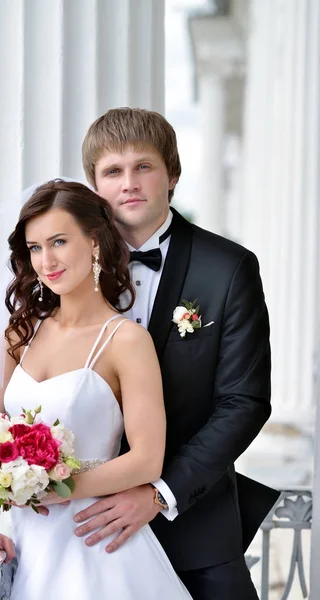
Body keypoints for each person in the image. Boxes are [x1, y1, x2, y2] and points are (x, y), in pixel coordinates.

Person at [71, 107, 279, 600]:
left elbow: (244, 402)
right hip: (84, 530)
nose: (129, 183)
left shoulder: (228, 268)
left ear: (173, 174)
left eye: (144, 166)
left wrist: (159, 494)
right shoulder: (66, 271)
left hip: (195, 529)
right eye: (113, 171)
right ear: (94, 186)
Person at [0, 180, 194, 599]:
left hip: (96, 544)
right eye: (34, 248)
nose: (46, 260)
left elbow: (148, 460)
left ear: (94, 243)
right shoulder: (20, 333)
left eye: (58, 242)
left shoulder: (126, 341)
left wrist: (54, 488)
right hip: (27, 545)